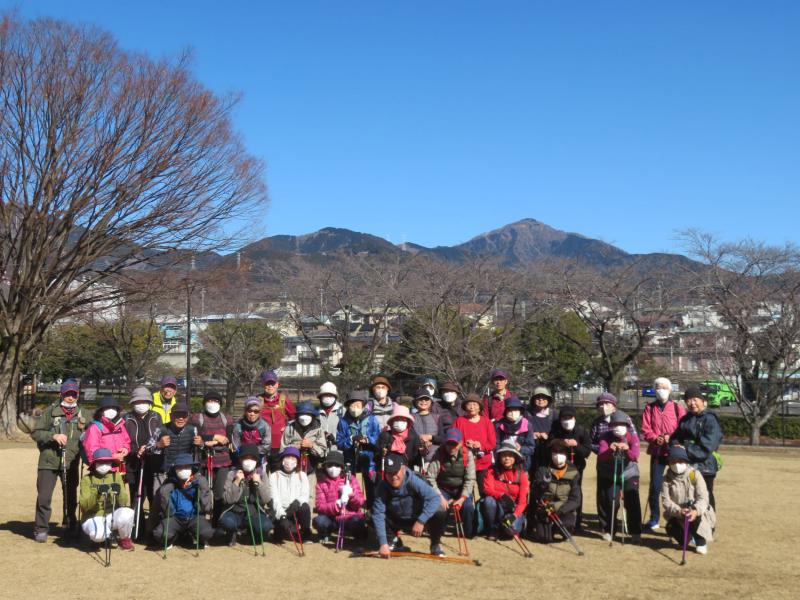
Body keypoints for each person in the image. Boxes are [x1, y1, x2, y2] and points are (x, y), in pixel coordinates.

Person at [31, 380, 92, 542]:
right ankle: (41, 528)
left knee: (71, 497)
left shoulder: (84, 414)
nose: (70, 397)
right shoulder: (50, 412)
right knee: (44, 497)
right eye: (67, 394)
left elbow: (94, 434)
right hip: (48, 461)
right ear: (61, 394)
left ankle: (70, 524)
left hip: (71, 462)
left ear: (77, 395)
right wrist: (53, 436)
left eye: (73, 394)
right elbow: (36, 433)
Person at [372, 452, 448, 557]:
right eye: (389, 473)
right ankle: (393, 541)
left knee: (440, 512)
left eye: (396, 472)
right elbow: (378, 514)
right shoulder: (382, 487)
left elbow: (434, 498)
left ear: (403, 470)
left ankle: (435, 545)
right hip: (396, 519)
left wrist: (421, 520)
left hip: (417, 518)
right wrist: (383, 544)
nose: (393, 477)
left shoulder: (414, 480)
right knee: (372, 515)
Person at [641, 377, 686, 531]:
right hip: (657, 451)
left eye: (664, 387)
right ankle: (654, 518)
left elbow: (683, 428)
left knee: (677, 486)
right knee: (655, 486)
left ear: (670, 389)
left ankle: (677, 518)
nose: (661, 390)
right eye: (658, 387)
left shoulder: (677, 407)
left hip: (674, 450)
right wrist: (655, 438)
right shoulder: (649, 408)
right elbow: (645, 429)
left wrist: (670, 437)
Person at [590, 392, 638, 535]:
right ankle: (606, 527)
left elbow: (632, 439)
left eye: (607, 403)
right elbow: (591, 442)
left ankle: (634, 530)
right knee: (605, 498)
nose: (604, 406)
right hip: (605, 464)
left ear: (614, 405)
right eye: (601, 404)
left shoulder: (625, 418)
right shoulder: (596, 422)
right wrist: (603, 449)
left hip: (625, 464)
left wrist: (624, 446)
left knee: (630, 499)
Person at [670, 386, 723, 510]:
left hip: (706, 466)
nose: (692, 403)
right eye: (689, 400)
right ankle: (691, 526)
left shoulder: (710, 419)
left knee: (705, 495)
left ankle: (709, 524)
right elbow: (675, 438)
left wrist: (684, 450)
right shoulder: (685, 420)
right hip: (687, 466)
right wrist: (675, 446)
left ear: (702, 400)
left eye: (695, 399)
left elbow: (707, 446)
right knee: (689, 495)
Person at [661, 446, 716, 555]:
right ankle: (686, 539)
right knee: (670, 527)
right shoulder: (666, 479)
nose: (677, 464)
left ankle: (701, 542)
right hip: (678, 513)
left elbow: (703, 497)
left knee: (695, 519)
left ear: (686, 462)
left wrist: (695, 510)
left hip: (696, 512)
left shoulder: (695, 474)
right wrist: (679, 511)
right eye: (673, 461)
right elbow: (666, 501)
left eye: (680, 461)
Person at [597, 410, 642, 542]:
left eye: (622, 424)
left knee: (632, 501)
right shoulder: (605, 436)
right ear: (610, 426)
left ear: (627, 426)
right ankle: (609, 530)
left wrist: (627, 449)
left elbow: (635, 456)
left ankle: (635, 532)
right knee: (612, 501)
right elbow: (602, 455)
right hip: (610, 473)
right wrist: (610, 448)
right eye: (615, 424)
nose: (618, 427)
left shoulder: (633, 437)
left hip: (629, 473)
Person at [152, 453, 214, 549]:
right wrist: (164, 493)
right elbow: (165, 510)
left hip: (194, 517)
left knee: (207, 533)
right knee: (160, 534)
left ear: (192, 468)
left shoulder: (199, 482)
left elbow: (205, 507)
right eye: (180, 467)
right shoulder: (169, 483)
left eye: (186, 466)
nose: (183, 469)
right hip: (175, 518)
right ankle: (175, 537)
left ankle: (195, 536)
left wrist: (202, 490)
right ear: (175, 469)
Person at [79, 448, 135, 550]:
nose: (104, 464)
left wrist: (118, 493)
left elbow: (123, 502)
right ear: (95, 463)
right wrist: (97, 493)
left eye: (107, 461)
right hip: (93, 516)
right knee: (98, 535)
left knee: (128, 513)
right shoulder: (87, 479)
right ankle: (99, 538)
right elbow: (84, 505)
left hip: (111, 515)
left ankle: (124, 539)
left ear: (111, 463)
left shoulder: (116, 476)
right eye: (101, 461)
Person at [123, 386, 163, 532]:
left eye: (144, 400)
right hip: (134, 463)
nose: (141, 404)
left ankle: (153, 529)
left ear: (149, 402)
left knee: (154, 496)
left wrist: (149, 448)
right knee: (137, 496)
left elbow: (160, 434)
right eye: (137, 401)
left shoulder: (156, 416)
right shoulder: (126, 418)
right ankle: (136, 528)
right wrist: (135, 451)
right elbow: (123, 440)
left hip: (153, 463)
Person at [425, 428, 476, 538]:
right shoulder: (439, 454)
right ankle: (438, 529)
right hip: (444, 488)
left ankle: (469, 532)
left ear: (461, 443)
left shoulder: (468, 455)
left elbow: (470, 479)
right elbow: (430, 477)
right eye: (449, 444)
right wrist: (440, 497)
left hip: (461, 489)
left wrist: (462, 498)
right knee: (439, 506)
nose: (451, 447)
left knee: (467, 507)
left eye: (455, 444)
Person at [191, 390, 233, 522]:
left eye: (216, 401)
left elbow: (229, 438)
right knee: (203, 491)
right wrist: (214, 437)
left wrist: (213, 442)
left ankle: (217, 521)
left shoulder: (227, 418)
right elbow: (194, 436)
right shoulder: (197, 418)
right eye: (210, 401)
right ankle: (201, 520)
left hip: (223, 460)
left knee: (219, 492)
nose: (213, 404)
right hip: (203, 460)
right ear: (204, 403)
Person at [218, 444, 273, 546]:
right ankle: (232, 533)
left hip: (254, 512)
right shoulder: (232, 474)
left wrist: (259, 482)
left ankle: (253, 533)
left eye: (252, 458)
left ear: (256, 461)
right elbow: (226, 499)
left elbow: (267, 499)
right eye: (245, 458)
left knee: (266, 525)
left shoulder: (262, 474)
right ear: (240, 460)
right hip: (234, 511)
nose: (249, 461)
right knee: (227, 522)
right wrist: (237, 482)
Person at [548, 405, 592, 530]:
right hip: (558, 467)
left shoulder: (582, 431)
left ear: (575, 418)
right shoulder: (555, 430)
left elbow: (587, 452)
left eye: (570, 417)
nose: (567, 420)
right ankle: (556, 518)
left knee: (575, 494)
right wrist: (561, 443)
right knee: (558, 492)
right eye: (564, 417)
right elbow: (549, 445)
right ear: (560, 419)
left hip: (576, 469)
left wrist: (576, 445)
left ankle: (576, 521)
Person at [530, 439, 581, 543]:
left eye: (561, 452)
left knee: (566, 527)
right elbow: (534, 494)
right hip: (546, 509)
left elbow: (575, 500)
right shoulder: (543, 470)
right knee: (544, 538)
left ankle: (564, 529)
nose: (558, 455)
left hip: (563, 509)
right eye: (555, 452)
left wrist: (559, 509)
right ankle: (548, 528)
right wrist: (541, 485)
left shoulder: (574, 472)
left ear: (566, 454)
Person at [336, 391, 380, 507]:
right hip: (350, 459)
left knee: (371, 485)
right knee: (350, 486)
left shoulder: (372, 419)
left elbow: (379, 438)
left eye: (358, 405)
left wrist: (367, 440)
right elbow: (339, 443)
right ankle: (353, 508)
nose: (355, 408)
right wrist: (351, 439)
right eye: (352, 405)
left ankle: (371, 508)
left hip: (369, 459)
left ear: (363, 405)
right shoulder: (343, 422)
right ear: (347, 406)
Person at [313, 450, 367, 544]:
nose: (333, 468)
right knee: (319, 521)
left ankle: (358, 535)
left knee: (357, 521)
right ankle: (326, 533)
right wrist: (336, 505)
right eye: (330, 465)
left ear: (342, 467)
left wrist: (351, 495)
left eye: (337, 465)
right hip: (332, 519)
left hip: (349, 517)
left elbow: (360, 502)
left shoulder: (350, 479)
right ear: (325, 467)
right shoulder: (321, 483)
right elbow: (320, 506)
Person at [481, 440, 529, 541]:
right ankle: (493, 528)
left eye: (510, 455)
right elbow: (487, 489)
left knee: (510, 532)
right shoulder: (492, 470)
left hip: (513, 509)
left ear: (515, 457)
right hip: (497, 506)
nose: (507, 458)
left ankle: (510, 525)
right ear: (499, 457)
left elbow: (522, 502)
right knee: (488, 501)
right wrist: (501, 495)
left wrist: (514, 515)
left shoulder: (522, 475)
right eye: (504, 455)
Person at [281, 400, 328, 500]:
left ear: (313, 415)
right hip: (292, 469)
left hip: (311, 468)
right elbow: (282, 449)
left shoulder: (318, 429)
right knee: (291, 494)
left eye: (307, 414)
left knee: (309, 495)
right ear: (297, 416)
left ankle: (307, 515)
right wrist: (295, 447)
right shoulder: (289, 428)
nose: (304, 417)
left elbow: (323, 451)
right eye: (302, 414)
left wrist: (311, 445)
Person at [454, 393, 496, 494]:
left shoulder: (486, 422)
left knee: (484, 490)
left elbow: (492, 443)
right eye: (469, 404)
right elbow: (453, 440)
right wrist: (465, 445)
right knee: (466, 491)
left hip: (483, 463)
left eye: (475, 404)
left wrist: (481, 446)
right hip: (465, 462)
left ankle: (482, 508)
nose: (472, 407)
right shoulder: (459, 421)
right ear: (465, 407)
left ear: (479, 407)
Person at [269, 447, 312, 543]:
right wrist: (282, 515)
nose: (290, 460)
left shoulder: (302, 475)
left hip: (295, 508)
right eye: (287, 457)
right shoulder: (274, 476)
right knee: (284, 532)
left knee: (305, 507)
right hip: (282, 511)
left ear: (297, 461)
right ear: (282, 460)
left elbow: (305, 494)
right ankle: (280, 530)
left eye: (293, 458)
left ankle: (306, 533)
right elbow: (274, 498)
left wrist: (297, 502)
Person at [259, 370, 297, 471]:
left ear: (277, 384)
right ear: (263, 384)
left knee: (279, 473)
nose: (270, 386)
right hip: (262, 444)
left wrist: (288, 427)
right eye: (267, 383)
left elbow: (295, 418)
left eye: (272, 383)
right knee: (262, 474)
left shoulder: (284, 400)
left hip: (281, 445)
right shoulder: (258, 400)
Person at [81, 396, 132, 471]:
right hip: (102, 468)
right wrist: (111, 456)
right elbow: (92, 450)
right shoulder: (94, 428)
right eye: (107, 408)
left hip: (119, 467)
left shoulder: (120, 426)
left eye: (113, 408)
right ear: (101, 411)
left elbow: (126, 441)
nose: (111, 410)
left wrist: (126, 449)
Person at [377, 404, 421, 478]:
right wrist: (382, 452)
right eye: (396, 419)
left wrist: (422, 452)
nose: (399, 422)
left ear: (408, 422)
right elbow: (377, 456)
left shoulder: (413, 436)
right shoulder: (385, 435)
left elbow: (416, 459)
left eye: (403, 419)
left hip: (407, 473)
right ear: (392, 422)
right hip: (389, 473)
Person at [494, 396, 536, 472]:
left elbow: (531, 448)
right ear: (505, 412)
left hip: (522, 464)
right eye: (510, 410)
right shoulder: (499, 425)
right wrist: (504, 450)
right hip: (504, 463)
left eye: (516, 409)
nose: (513, 412)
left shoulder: (527, 425)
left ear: (520, 411)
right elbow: (496, 444)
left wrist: (520, 449)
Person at [231, 396, 271, 464]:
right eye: (250, 411)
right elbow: (236, 444)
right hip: (242, 457)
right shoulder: (238, 426)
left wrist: (253, 452)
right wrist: (245, 454)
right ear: (245, 411)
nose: (252, 414)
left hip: (259, 458)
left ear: (259, 412)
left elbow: (267, 445)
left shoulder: (264, 426)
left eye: (256, 411)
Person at [411, 388, 444, 468]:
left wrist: (431, 438)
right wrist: (419, 442)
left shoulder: (437, 417)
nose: (424, 402)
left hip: (434, 459)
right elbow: (409, 437)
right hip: (416, 459)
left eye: (426, 399)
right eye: (420, 399)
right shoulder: (411, 418)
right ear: (415, 402)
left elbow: (442, 438)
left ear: (431, 401)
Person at [526, 385, 554, 469]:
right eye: (538, 397)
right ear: (533, 400)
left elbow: (558, 433)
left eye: (544, 397)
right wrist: (532, 435)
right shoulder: (527, 414)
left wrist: (549, 436)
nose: (541, 400)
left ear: (548, 400)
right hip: (531, 453)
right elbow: (522, 432)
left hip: (549, 452)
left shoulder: (554, 414)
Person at [317, 381, 344, 450]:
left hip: (338, 451)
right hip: (320, 451)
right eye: (325, 395)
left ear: (335, 397)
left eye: (330, 395)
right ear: (320, 397)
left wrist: (334, 438)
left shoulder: (343, 411)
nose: (328, 398)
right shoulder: (315, 412)